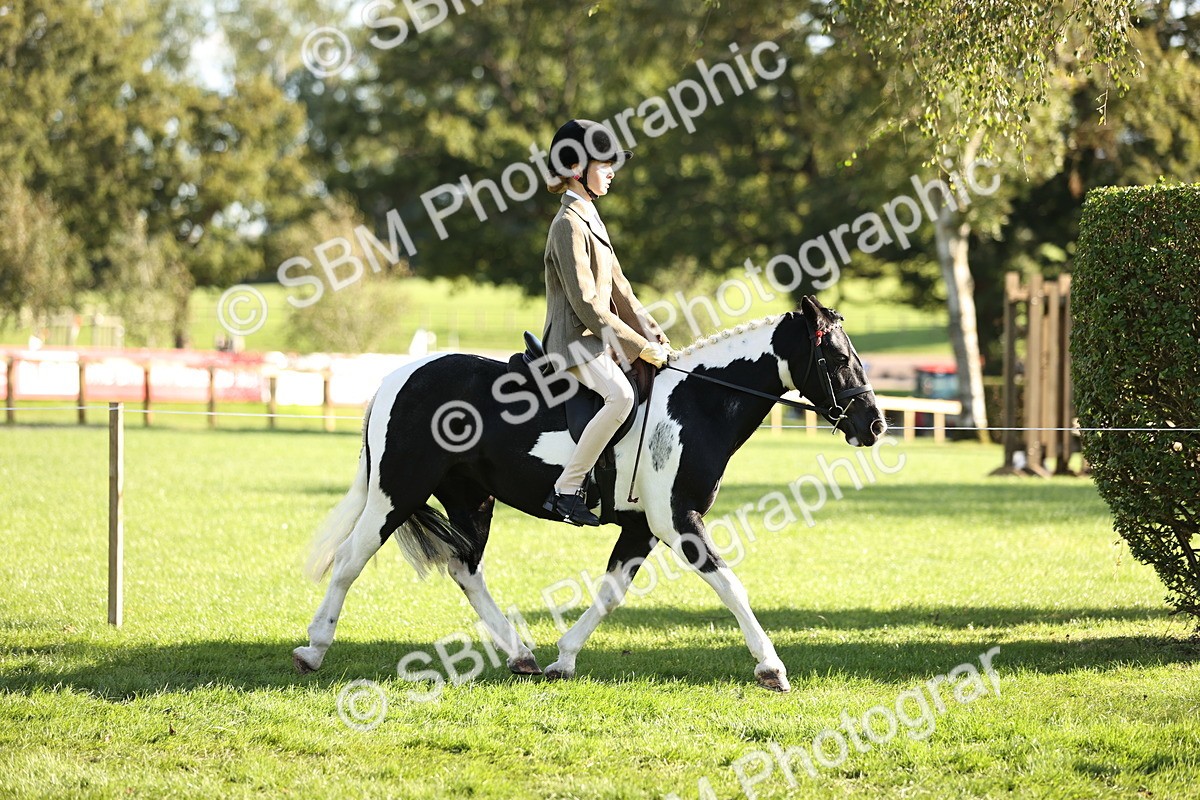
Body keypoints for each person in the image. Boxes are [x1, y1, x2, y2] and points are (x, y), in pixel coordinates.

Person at [540, 119, 675, 526]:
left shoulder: (592, 219)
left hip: (598, 340)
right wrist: (638, 347)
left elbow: (623, 294)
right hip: (573, 342)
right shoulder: (567, 225)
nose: (614, 172)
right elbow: (586, 304)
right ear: (578, 169)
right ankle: (566, 489)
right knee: (621, 397)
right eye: (605, 164)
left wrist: (659, 338)